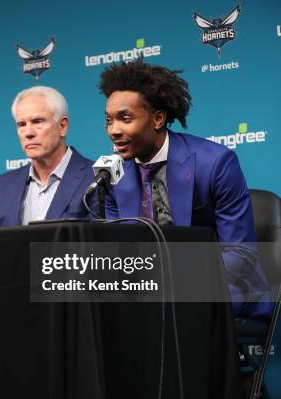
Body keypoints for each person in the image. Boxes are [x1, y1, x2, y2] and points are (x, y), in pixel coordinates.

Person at [99, 59, 270, 318]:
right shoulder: (114, 174)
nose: (114, 130)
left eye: (125, 119)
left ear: (158, 118)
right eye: (109, 121)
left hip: (219, 287)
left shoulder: (215, 163)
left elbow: (240, 255)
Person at [0, 86, 95, 227]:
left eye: (37, 121)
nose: (28, 133)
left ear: (62, 126)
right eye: (21, 124)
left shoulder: (96, 177)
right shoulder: (2, 186)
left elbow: (104, 245)